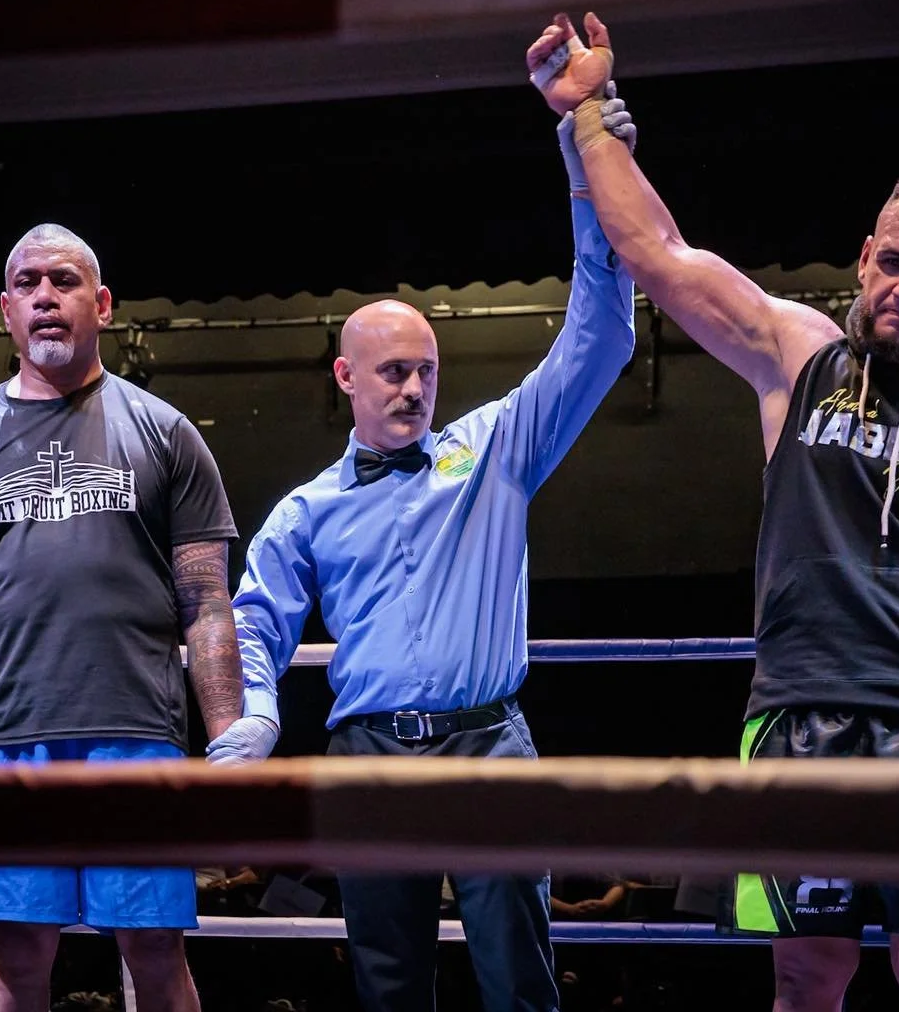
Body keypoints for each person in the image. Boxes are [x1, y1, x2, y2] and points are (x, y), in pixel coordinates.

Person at [527, 13, 899, 1012]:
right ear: (866, 252)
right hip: (797, 718)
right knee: (805, 971)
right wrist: (591, 119)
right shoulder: (800, 357)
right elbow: (656, 251)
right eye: (895, 262)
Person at [218, 151, 637, 1012]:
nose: (415, 390)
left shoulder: (495, 450)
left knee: (521, 980)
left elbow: (600, 338)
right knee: (388, 982)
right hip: (368, 756)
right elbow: (252, 620)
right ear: (346, 378)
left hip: (489, 745)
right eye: (393, 372)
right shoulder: (308, 509)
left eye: (427, 371)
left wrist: (589, 167)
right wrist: (254, 710)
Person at [0, 223, 268, 1012]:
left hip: (137, 732)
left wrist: (229, 733)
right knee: (19, 947)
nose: (44, 297)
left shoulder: (166, 432)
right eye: (27, 283)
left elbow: (204, 596)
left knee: (154, 948)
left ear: (100, 303)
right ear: (6, 310)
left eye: (63, 281)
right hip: (10, 735)